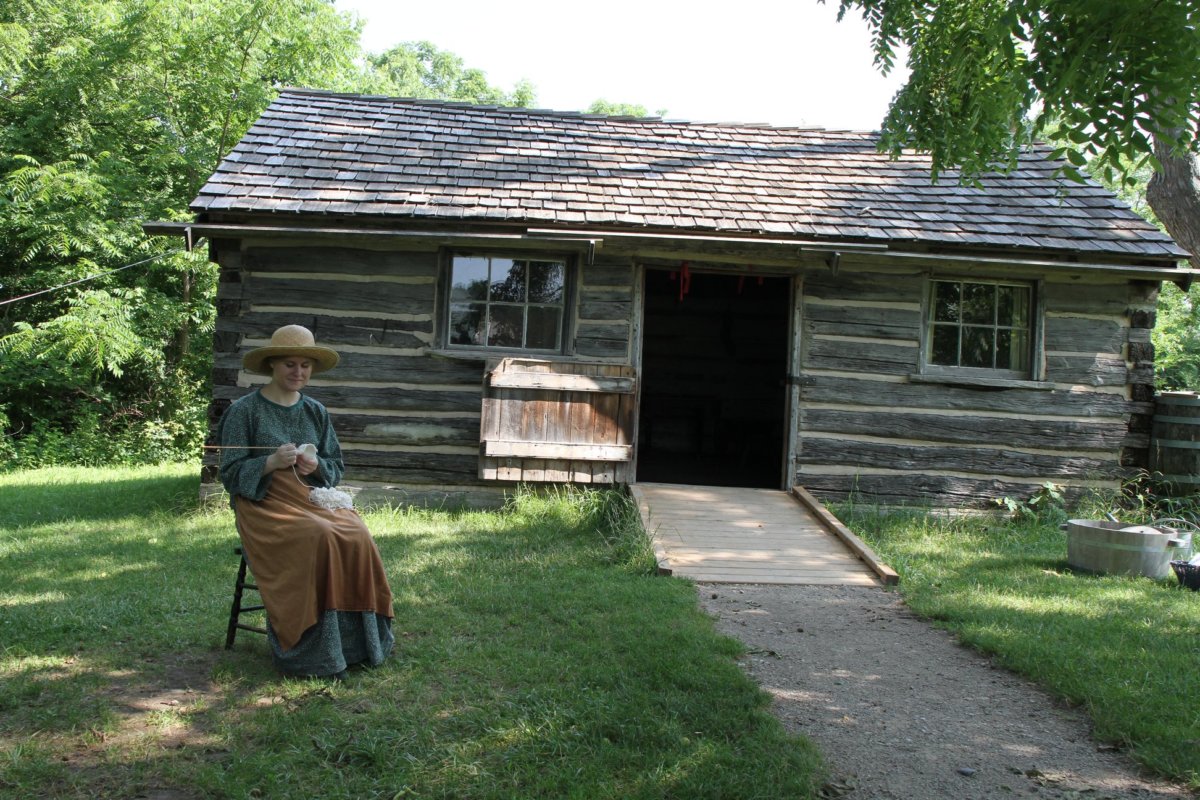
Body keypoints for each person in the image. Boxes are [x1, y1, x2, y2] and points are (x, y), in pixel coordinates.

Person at [218, 324, 394, 680]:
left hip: (311, 497)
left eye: (305, 365)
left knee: (356, 532)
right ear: (272, 365)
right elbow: (230, 475)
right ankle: (312, 652)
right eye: (289, 364)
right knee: (320, 535)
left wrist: (316, 466)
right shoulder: (244, 411)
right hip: (265, 504)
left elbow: (335, 466)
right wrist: (269, 463)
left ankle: (358, 646)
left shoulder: (316, 411)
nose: (298, 372)